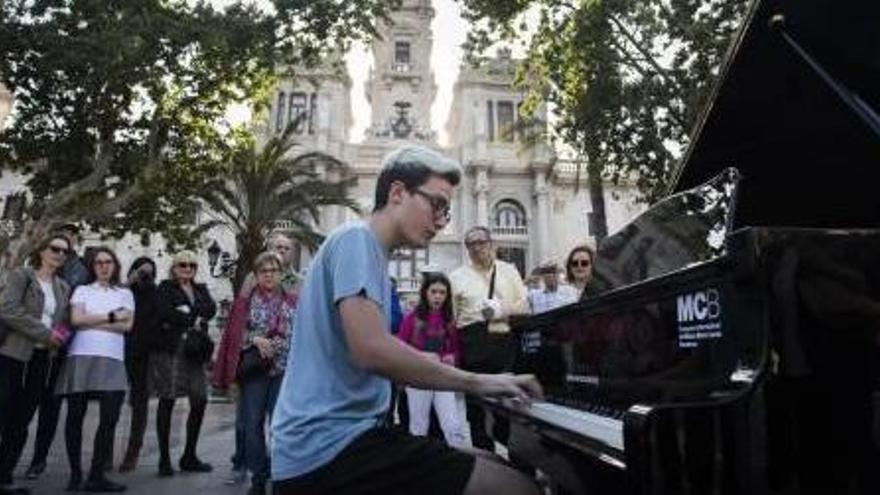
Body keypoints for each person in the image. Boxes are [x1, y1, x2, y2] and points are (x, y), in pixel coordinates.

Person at [271, 145, 543, 495]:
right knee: (517, 488)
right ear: (398, 193)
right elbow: (371, 350)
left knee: (492, 462)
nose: (442, 220)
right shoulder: (356, 240)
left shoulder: (371, 256)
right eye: (437, 205)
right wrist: (479, 382)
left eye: (447, 210)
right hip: (328, 448)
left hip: (352, 439)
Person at [213, 251, 296, 495]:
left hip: (282, 371)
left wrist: (274, 345)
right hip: (254, 372)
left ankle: (281, 474)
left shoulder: (291, 301)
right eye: (264, 271)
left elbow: (297, 334)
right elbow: (233, 337)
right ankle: (258, 477)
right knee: (252, 424)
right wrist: (255, 339)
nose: (269, 275)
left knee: (280, 426)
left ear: (281, 274)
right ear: (256, 275)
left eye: (273, 271)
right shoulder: (243, 304)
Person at [55, 247, 133, 492]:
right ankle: (76, 474)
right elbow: (76, 320)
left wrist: (92, 320)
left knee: (109, 419)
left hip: (113, 359)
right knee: (74, 418)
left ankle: (96, 475)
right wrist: (111, 317)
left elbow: (127, 326)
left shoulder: (125, 293)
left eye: (108, 261)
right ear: (93, 266)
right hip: (80, 356)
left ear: (115, 265)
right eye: (99, 262)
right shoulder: (81, 290)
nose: (104, 266)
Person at [449, 226, 529, 452]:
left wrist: (501, 310)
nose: (476, 248)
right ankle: (487, 466)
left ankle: (518, 469)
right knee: (477, 415)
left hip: (505, 345)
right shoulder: (456, 277)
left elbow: (525, 306)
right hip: (473, 346)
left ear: (491, 244)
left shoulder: (509, 270)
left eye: (481, 242)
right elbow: (452, 321)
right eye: (471, 244)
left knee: (510, 409)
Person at [0, 234, 69, 495]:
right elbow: (7, 309)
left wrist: (60, 337)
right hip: (12, 356)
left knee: (22, 420)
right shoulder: (22, 276)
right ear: (42, 250)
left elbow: (64, 322)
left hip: (42, 360)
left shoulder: (63, 287)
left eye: (64, 251)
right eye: (55, 249)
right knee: (5, 414)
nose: (59, 254)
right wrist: (44, 333)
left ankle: (4, 476)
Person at [23, 223, 89, 481]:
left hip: (59, 351)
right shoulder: (31, 269)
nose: (65, 243)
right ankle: (10, 457)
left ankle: (38, 460)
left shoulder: (79, 269)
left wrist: (58, 338)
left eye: (71, 236)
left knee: (50, 408)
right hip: (28, 348)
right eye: (62, 236)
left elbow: (72, 313)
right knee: (20, 406)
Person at [153, 250, 217, 476]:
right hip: (172, 351)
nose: (187, 269)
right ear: (174, 267)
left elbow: (211, 308)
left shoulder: (200, 289)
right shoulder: (164, 288)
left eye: (191, 265)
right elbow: (163, 313)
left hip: (195, 351)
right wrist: (193, 317)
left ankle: (189, 455)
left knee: (199, 399)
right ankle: (164, 459)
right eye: (182, 265)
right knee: (167, 400)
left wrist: (186, 312)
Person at [397, 272, 470, 448]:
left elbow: (455, 350)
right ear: (425, 293)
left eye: (442, 292)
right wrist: (422, 357)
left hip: (442, 378)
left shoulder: (449, 321)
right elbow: (400, 347)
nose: (438, 296)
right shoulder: (411, 318)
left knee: (452, 425)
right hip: (417, 379)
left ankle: (460, 463)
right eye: (434, 291)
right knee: (418, 426)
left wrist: (451, 358)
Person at [118, 257, 160, 472]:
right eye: (141, 271)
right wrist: (129, 281)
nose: (144, 276)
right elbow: (111, 306)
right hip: (117, 350)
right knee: (112, 403)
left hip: (142, 355)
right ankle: (105, 452)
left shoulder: (154, 292)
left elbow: (161, 312)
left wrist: (149, 283)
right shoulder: (123, 290)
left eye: (149, 272)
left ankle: (132, 452)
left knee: (139, 403)